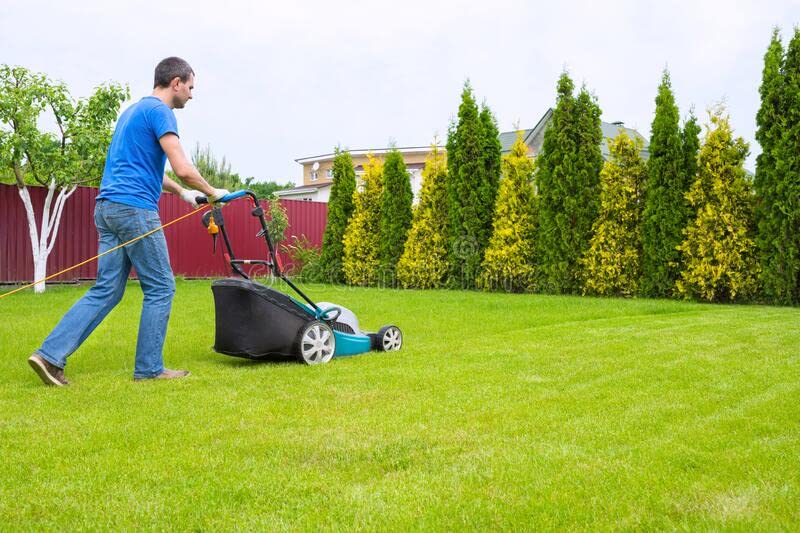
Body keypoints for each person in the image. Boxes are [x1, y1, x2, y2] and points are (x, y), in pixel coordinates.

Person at [28, 57, 229, 386]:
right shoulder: (161, 113)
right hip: (134, 210)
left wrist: (183, 194)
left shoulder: (132, 113)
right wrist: (211, 191)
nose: (192, 95)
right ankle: (149, 369)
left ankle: (49, 356)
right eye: (191, 87)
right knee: (161, 287)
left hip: (107, 208)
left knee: (106, 289)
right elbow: (182, 166)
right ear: (176, 82)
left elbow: (149, 170)